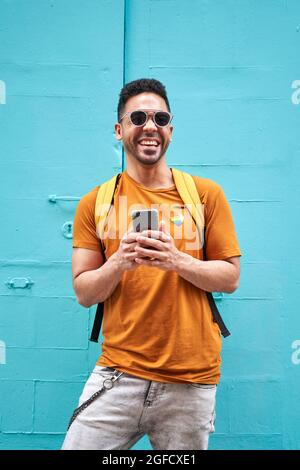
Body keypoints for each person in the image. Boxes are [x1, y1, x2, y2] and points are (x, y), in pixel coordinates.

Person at [62, 78, 242, 450]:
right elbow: (83, 292)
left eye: (160, 118)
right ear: (119, 129)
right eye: (138, 117)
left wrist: (176, 260)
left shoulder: (205, 195)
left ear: (170, 131)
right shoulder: (95, 202)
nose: (150, 126)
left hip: (190, 381)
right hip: (118, 373)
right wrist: (119, 262)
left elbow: (230, 278)